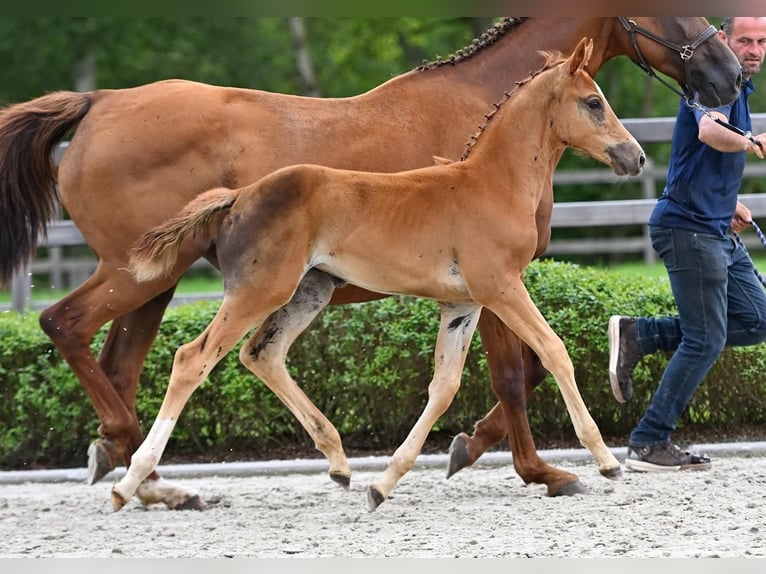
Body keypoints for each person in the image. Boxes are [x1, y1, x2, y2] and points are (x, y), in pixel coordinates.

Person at [609, 16, 766, 472]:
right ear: (722, 39)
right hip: (688, 228)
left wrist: (729, 200)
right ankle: (648, 442)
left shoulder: (736, 87)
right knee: (706, 339)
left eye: (761, 41)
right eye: (745, 40)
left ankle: (642, 334)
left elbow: (701, 157)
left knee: (757, 319)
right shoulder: (708, 84)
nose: (754, 49)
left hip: (716, 225)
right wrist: (753, 142)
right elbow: (708, 132)